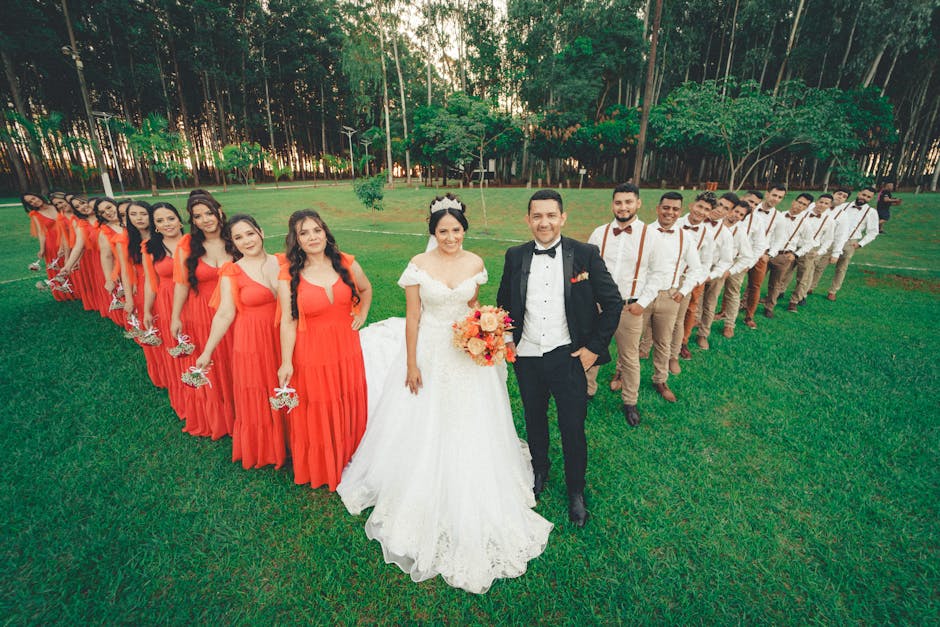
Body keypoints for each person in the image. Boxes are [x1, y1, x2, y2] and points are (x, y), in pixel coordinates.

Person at [338, 196, 552, 594]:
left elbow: (473, 305)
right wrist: (412, 364)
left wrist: (484, 332)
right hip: (432, 352)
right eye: (443, 231)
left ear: (464, 230)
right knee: (428, 418)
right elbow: (414, 317)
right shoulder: (419, 267)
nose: (451, 237)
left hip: (468, 353)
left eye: (456, 230)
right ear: (432, 233)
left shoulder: (474, 263)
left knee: (474, 419)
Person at [497, 189, 622, 527]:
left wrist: (594, 348)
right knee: (534, 420)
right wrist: (509, 339)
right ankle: (539, 471)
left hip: (568, 358)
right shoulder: (514, 256)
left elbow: (613, 304)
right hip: (527, 358)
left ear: (563, 218)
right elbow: (503, 304)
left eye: (551, 215)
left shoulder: (585, 255)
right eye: (537, 215)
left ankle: (576, 491)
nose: (544, 222)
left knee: (572, 427)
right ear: (528, 219)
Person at [277, 209, 371, 491]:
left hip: (347, 347)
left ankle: (352, 455)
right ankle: (325, 465)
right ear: (296, 240)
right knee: (321, 407)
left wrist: (362, 314)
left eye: (316, 230)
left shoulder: (346, 262)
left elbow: (366, 290)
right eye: (303, 233)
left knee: (347, 399)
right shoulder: (289, 275)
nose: (312, 237)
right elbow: (287, 321)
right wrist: (285, 362)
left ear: (325, 232)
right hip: (312, 353)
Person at [194, 214, 286, 470]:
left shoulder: (283, 261)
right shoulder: (231, 272)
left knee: (286, 384)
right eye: (238, 237)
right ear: (232, 244)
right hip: (252, 341)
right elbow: (224, 313)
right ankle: (266, 447)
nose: (246, 241)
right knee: (259, 390)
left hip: (284, 335)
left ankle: (289, 440)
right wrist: (207, 351)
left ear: (261, 232)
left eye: (250, 233)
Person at [171, 193, 235, 440]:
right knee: (213, 363)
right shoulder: (187, 246)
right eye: (198, 216)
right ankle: (220, 417)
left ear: (219, 210)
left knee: (234, 361)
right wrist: (176, 317)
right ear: (193, 221)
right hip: (202, 313)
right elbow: (181, 284)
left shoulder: (235, 237)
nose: (205, 219)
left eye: (209, 212)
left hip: (235, 311)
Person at [585, 183, 650, 426]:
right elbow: (586, 267)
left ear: (638, 203)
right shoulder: (599, 233)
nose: (623, 207)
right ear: (613, 204)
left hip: (628, 307)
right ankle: (587, 391)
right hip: (599, 306)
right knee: (593, 348)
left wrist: (642, 303)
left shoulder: (649, 235)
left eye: (628, 202)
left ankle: (630, 401)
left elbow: (658, 273)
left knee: (630, 356)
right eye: (618, 202)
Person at [636, 192, 704, 402]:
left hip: (668, 296)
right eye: (666, 208)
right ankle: (621, 372)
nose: (670, 212)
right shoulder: (644, 232)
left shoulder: (686, 237)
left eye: (675, 209)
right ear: (658, 208)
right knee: (632, 338)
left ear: (680, 212)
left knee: (664, 341)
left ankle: (660, 379)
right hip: (642, 295)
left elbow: (696, 269)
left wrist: (682, 291)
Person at [142, 202, 189, 420]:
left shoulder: (194, 243)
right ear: (155, 226)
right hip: (168, 301)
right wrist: (147, 311)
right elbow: (151, 282)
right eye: (159, 221)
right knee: (180, 348)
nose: (167, 224)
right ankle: (188, 398)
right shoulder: (150, 247)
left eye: (170, 218)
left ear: (179, 219)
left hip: (197, 299)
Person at [695, 193, 751, 348]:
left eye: (726, 208)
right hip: (695, 268)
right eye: (719, 204)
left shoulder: (731, 233)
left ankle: (703, 334)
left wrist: (728, 271)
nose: (720, 210)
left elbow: (746, 257)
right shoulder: (697, 221)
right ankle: (686, 330)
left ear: (730, 212)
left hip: (716, 271)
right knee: (694, 302)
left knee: (710, 303)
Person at [762, 192, 815, 317]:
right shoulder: (778, 215)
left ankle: (769, 307)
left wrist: (796, 254)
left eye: (804, 205)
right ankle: (745, 303)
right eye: (799, 202)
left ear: (806, 208)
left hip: (784, 256)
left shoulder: (805, 223)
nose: (799, 206)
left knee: (776, 284)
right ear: (793, 201)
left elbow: (809, 243)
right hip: (768, 252)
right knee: (757, 279)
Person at [742, 184, 786, 329]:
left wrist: (770, 254)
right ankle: (726, 310)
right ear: (767, 194)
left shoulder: (779, 218)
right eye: (774, 195)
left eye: (780, 197)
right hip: (741, 252)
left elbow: (780, 239)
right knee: (733, 283)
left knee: (755, 286)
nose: (776, 199)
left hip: (761, 255)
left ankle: (749, 316)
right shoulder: (749, 207)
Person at [826, 186, 879, 301]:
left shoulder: (871, 212)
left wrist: (861, 243)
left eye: (868, 197)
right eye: (863, 195)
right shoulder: (844, 205)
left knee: (841, 268)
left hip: (851, 242)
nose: (864, 198)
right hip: (833, 239)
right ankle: (811, 286)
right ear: (859, 193)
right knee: (820, 263)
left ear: (871, 198)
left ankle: (833, 291)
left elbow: (873, 232)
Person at [788, 193, 834, 310]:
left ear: (829, 206)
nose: (822, 205)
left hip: (810, 250)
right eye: (821, 202)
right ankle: (778, 293)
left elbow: (828, 240)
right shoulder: (802, 214)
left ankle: (795, 300)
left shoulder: (829, 221)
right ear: (816, 202)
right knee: (785, 272)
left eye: (826, 203)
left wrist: (818, 252)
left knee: (803, 277)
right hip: (793, 247)